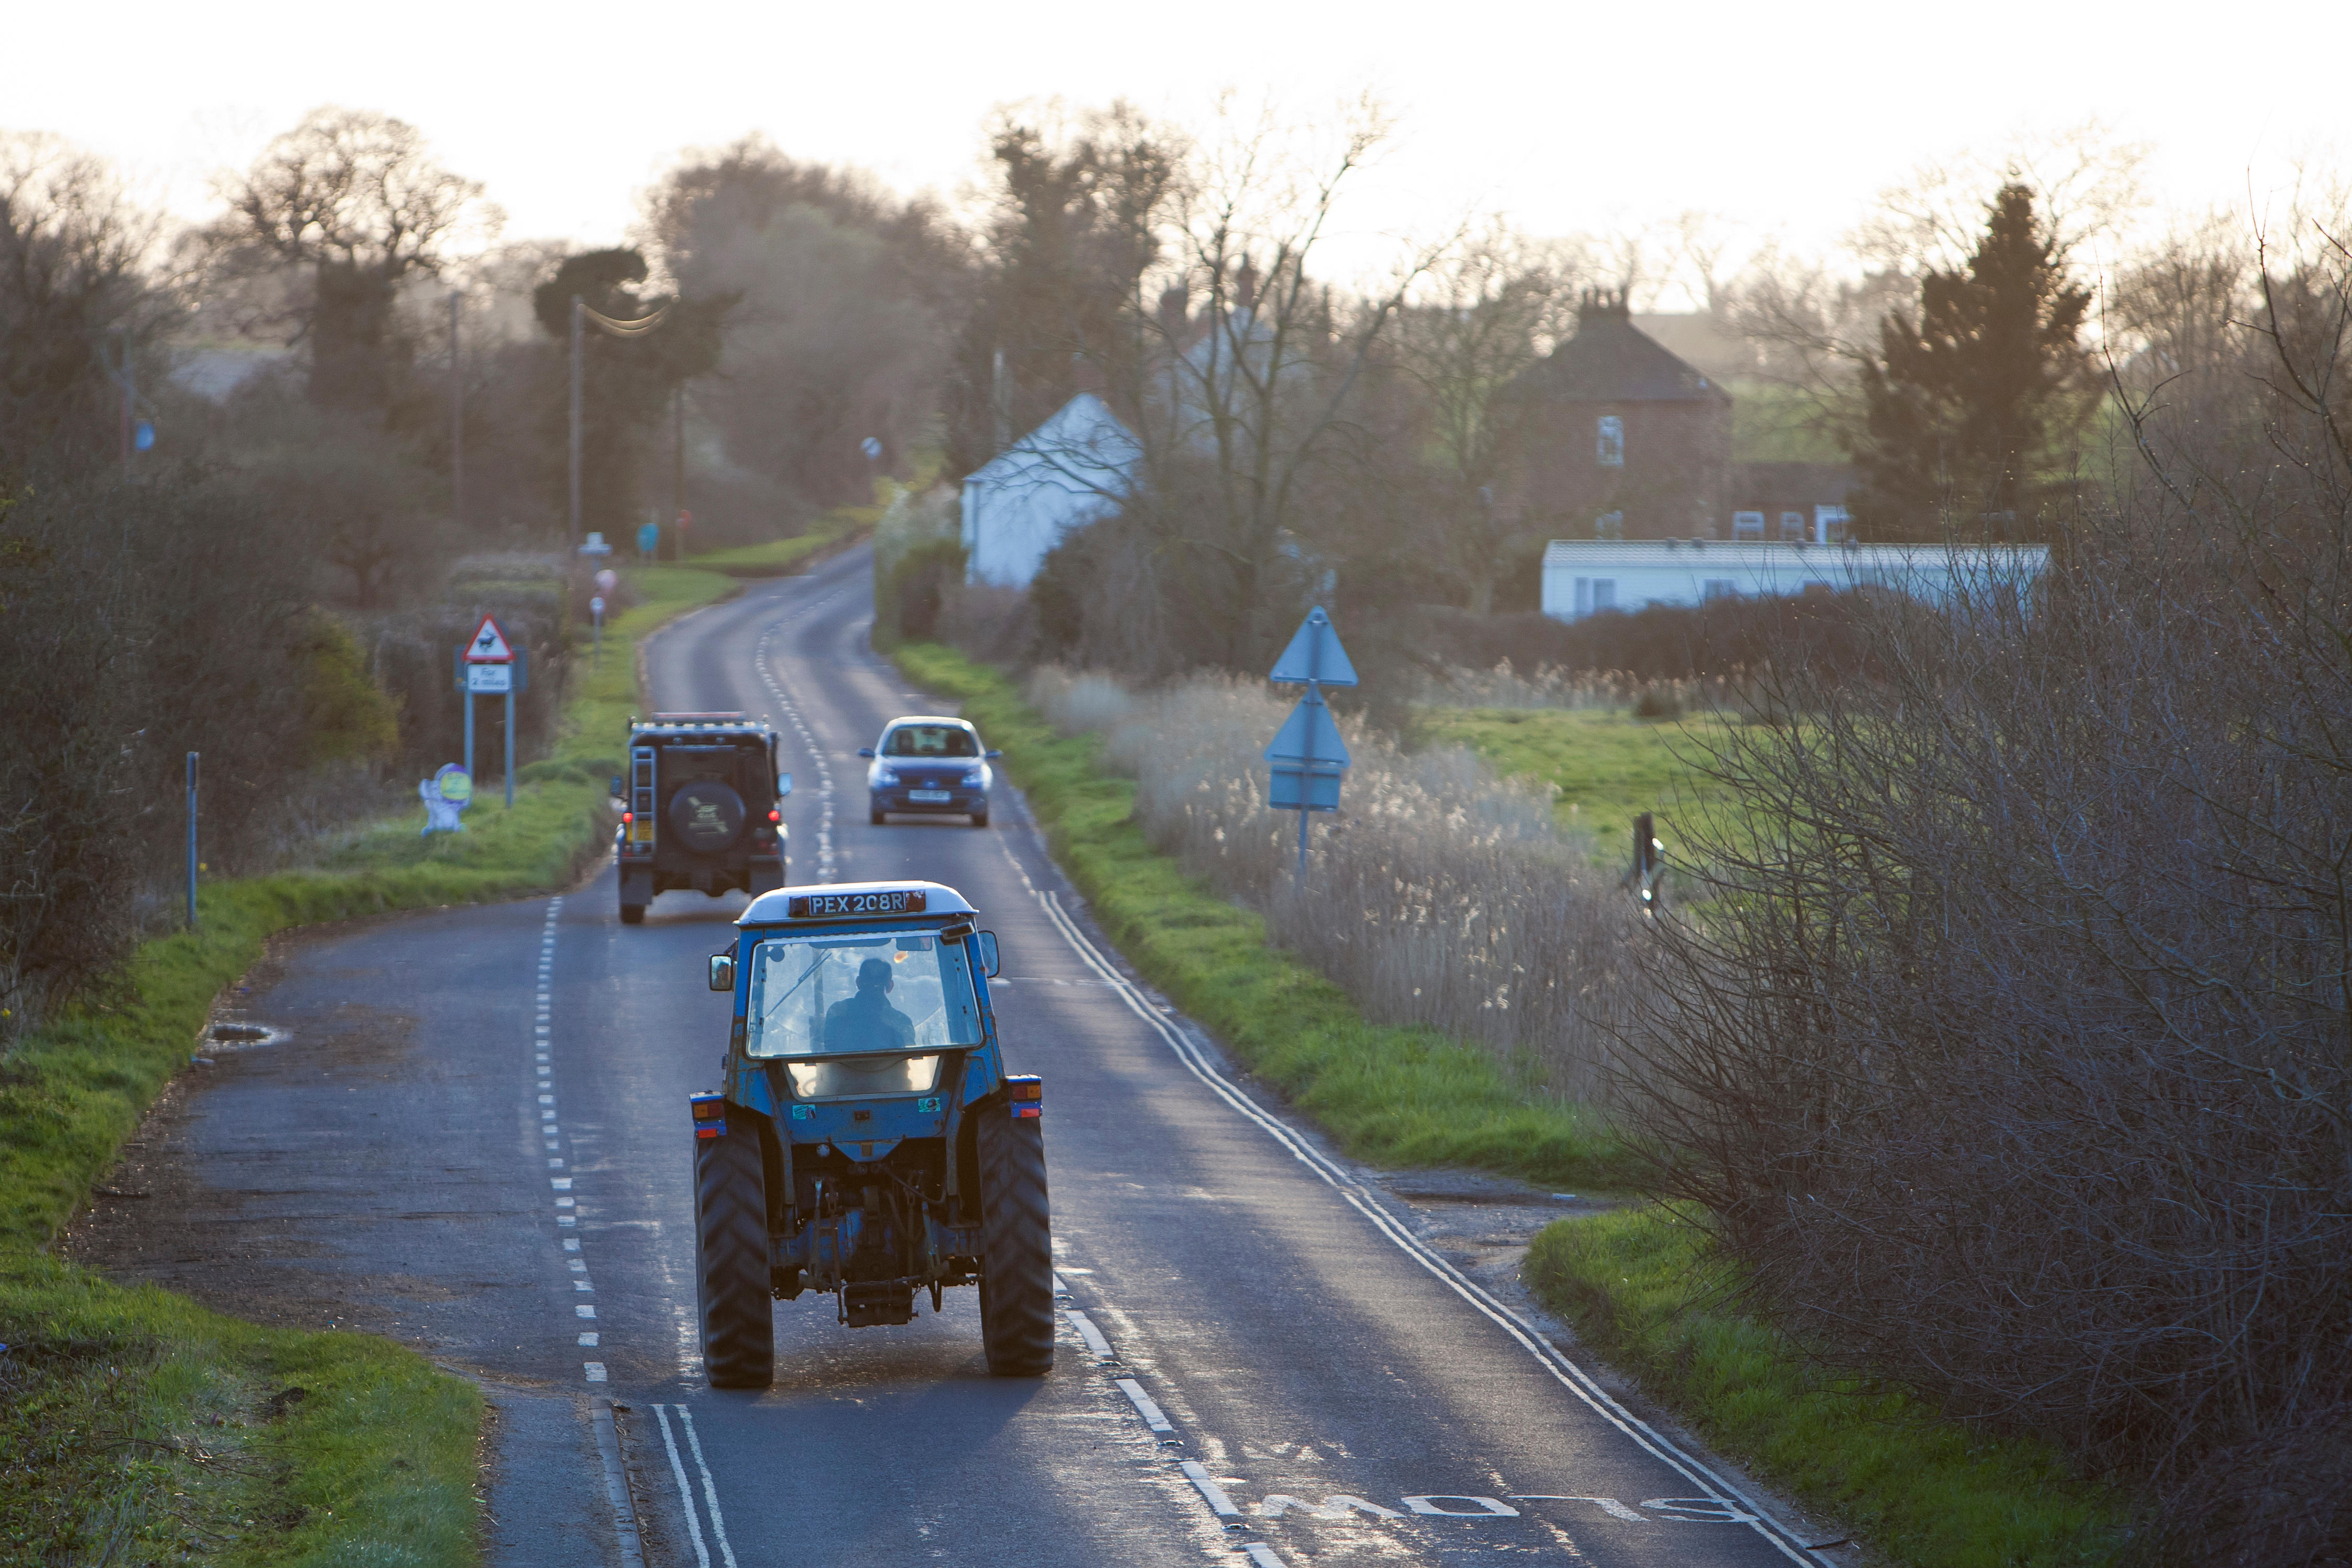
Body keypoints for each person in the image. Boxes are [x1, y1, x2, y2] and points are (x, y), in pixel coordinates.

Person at [823, 957, 916, 1053]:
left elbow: (826, 1051)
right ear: (890, 986)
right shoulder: (902, 1022)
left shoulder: (838, 1011)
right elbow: (908, 1060)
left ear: (858, 982)